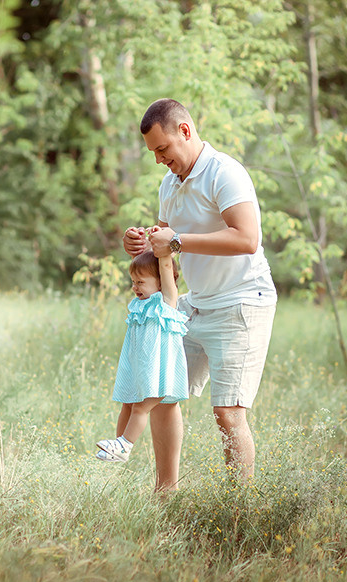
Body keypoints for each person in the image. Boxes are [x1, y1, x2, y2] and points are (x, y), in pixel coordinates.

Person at [124, 98, 277, 488]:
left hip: (242, 301)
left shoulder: (225, 173)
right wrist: (141, 244)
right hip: (196, 305)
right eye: (153, 153)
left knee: (228, 412)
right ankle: (166, 493)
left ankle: (239, 508)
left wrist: (174, 240)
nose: (159, 159)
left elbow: (246, 238)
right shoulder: (168, 184)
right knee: (159, 390)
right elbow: (167, 254)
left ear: (185, 132)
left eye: (163, 149)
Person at [95, 249, 189, 463]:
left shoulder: (165, 301)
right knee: (128, 404)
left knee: (140, 408)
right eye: (133, 282)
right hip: (141, 369)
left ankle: (125, 445)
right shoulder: (140, 304)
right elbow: (144, 265)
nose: (135, 287)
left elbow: (164, 266)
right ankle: (118, 445)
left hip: (160, 375)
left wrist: (164, 251)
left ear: (160, 283)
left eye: (140, 282)